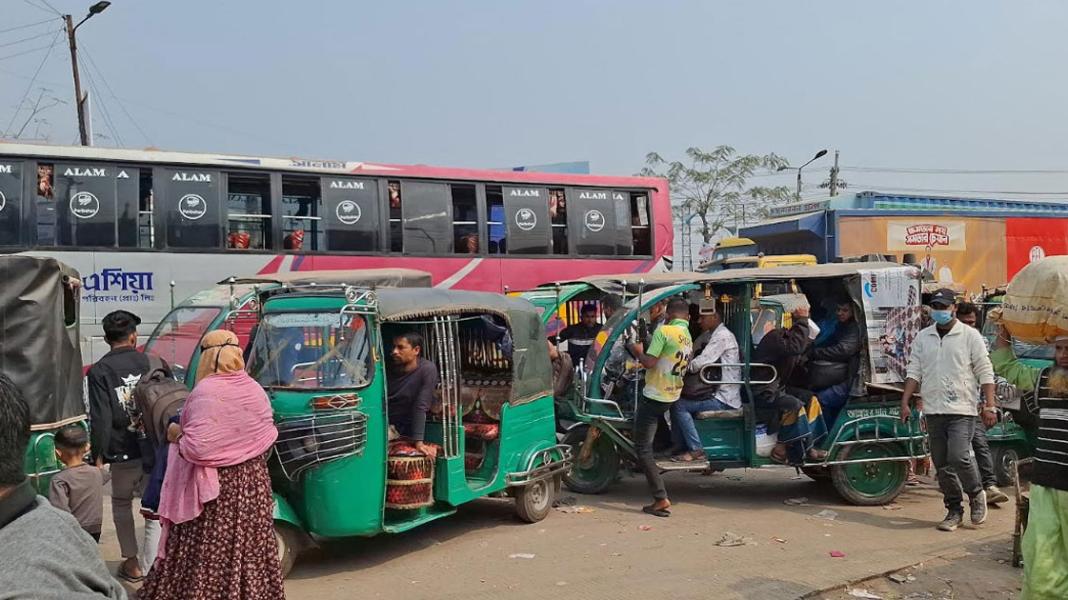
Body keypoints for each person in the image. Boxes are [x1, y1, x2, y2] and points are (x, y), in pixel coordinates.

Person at [140, 330, 284, 600]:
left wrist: (176, 434)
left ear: (209, 357)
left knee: (206, 549)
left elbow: (198, 448)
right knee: (249, 547)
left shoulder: (206, 391)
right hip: (253, 484)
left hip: (218, 489)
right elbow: (266, 432)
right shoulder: (255, 389)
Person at [0, 373, 127, 599]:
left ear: (58, 452)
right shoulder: (93, 476)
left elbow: (61, 507)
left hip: (78, 524)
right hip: (88, 530)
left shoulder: (60, 480)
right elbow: (104, 478)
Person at [900, 288, 996, 532]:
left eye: (944, 307)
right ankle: (954, 510)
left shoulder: (970, 336)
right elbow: (914, 371)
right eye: (936, 307)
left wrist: (990, 405)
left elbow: (985, 372)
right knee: (942, 464)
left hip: (962, 408)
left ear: (954, 308)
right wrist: (905, 401)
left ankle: (976, 493)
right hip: (934, 408)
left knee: (959, 456)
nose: (940, 311)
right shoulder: (923, 337)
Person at [990, 325, 1068, 599]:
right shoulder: (1045, 379)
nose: (1062, 356)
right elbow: (1007, 367)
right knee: (1039, 556)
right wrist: (1004, 328)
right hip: (1045, 482)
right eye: (1058, 349)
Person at [86, 310, 157, 583]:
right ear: (134, 336)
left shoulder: (99, 371)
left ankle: (132, 563)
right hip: (153, 447)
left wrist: (98, 456)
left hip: (122, 450)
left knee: (121, 503)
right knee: (155, 507)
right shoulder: (151, 362)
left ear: (106, 338)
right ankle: (154, 562)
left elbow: (101, 417)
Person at [626, 298, 693, 518]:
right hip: (672, 394)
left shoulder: (664, 331)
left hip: (655, 393)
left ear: (668, 314)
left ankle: (660, 498)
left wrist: (636, 350)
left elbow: (649, 362)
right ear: (686, 317)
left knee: (642, 448)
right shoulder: (687, 336)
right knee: (653, 427)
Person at [752, 306, 828, 463]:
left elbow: (798, 358)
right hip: (764, 391)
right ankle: (782, 447)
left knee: (810, 398)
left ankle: (810, 443)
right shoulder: (775, 338)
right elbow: (796, 347)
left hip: (777, 388)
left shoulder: (791, 346)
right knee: (794, 405)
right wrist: (802, 320)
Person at [670, 300, 740, 462]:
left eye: (703, 317)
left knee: (679, 405)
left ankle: (695, 449)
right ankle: (679, 446)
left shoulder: (722, 336)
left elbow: (697, 364)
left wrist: (678, 365)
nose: (699, 321)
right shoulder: (710, 335)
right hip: (714, 392)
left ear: (714, 316)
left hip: (724, 398)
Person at [955, 301, 1009, 505]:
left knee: (980, 444)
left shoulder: (981, 342)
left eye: (972, 322)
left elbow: (987, 376)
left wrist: (989, 405)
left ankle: (989, 486)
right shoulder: (944, 340)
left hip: (972, 405)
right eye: (965, 322)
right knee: (955, 451)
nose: (969, 326)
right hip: (948, 405)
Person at [49, 425, 110, 543]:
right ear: (87, 448)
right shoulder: (97, 473)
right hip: (95, 528)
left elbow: (60, 512)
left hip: (73, 530)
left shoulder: (59, 480)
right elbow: (106, 475)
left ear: (57, 453)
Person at [808, 300, 862, 428]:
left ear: (853, 312)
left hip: (852, 379)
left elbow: (844, 350)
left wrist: (816, 353)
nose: (840, 313)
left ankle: (826, 435)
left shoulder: (853, 328)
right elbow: (829, 342)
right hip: (843, 375)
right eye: (838, 310)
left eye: (844, 310)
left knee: (820, 399)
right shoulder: (841, 326)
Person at [387, 332, 440, 459]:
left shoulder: (427, 369)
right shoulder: (386, 368)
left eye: (400, 347)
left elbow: (421, 405)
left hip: (403, 427)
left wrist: (419, 442)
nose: (394, 351)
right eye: (394, 347)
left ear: (416, 350)